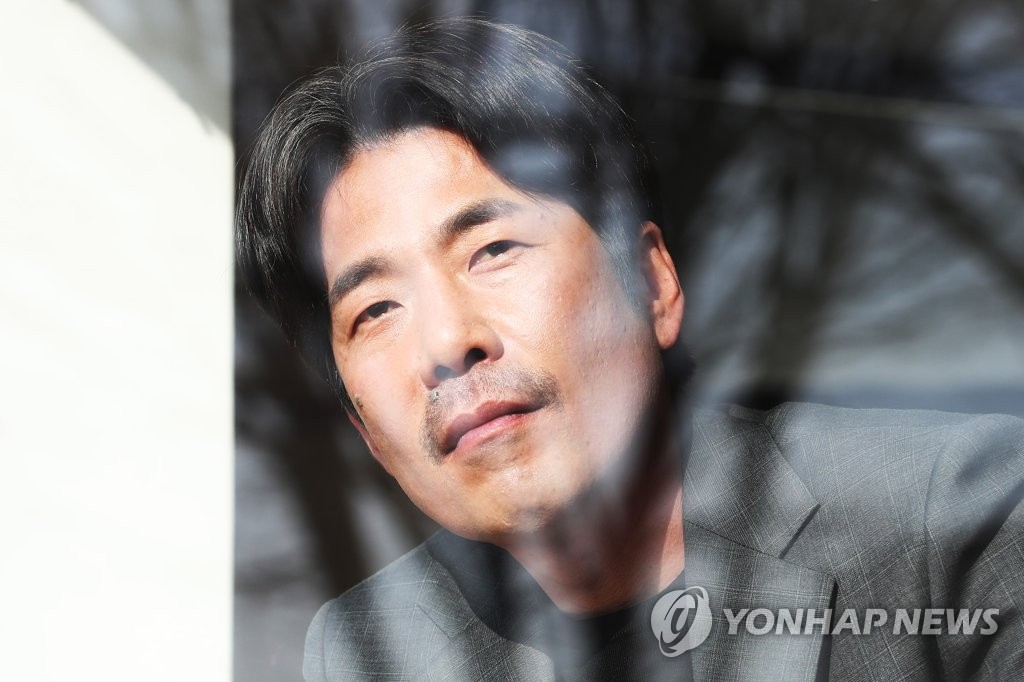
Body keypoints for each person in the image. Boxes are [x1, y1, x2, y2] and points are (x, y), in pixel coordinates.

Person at [236, 17, 1024, 681]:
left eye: (493, 250)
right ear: (366, 432)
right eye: (375, 309)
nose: (448, 341)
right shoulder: (374, 647)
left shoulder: (954, 518)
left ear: (652, 283)